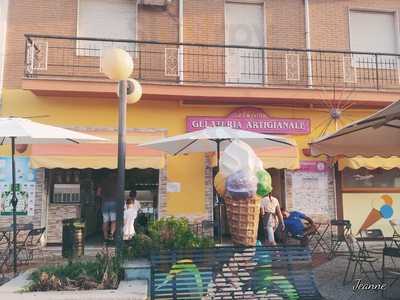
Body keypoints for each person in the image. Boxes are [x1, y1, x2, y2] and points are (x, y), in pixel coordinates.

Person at [97, 173, 118, 241]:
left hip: (104, 202)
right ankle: (111, 234)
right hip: (114, 202)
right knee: (113, 220)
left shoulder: (102, 182)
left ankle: (105, 237)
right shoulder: (116, 182)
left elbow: (98, 193)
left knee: (105, 221)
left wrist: (103, 197)